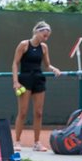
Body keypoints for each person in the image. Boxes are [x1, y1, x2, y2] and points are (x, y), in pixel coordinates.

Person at [11, 21, 63, 150]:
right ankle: (17, 141)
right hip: (25, 80)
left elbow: (47, 64)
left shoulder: (44, 47)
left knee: (39, 113)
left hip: (38, 79)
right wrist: (15, 82)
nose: (46, 38)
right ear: (37, 32)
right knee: (22, 112)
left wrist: (54, 69)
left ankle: (37, 143)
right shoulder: (24, 45)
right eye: (44, 35)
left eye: (47, 36)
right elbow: (15, 64)